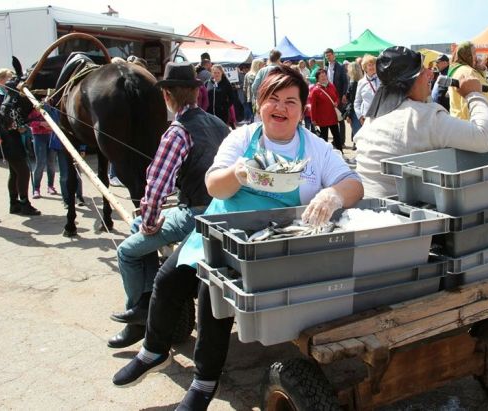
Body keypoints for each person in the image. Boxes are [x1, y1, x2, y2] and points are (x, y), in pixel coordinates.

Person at [111, 66, 364, 411]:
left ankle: (204, 382)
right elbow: (214, 184)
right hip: (220, 229)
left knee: (213, 293)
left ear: (302, 108)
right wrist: (238, 173)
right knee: (169, 279)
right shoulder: (242, 139)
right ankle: (153, 351)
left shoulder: (316, 149)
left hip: (269, 242)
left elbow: (354, 184)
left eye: (291, 101)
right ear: (259, 103)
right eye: (273, 98)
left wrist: (332, 195)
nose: (281, 107)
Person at [107, 62, 230, 349]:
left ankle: (141, 318)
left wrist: (150, 221)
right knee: (138, 226)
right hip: (222, 211)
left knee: (127, 251)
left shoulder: (177, 132)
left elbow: (157, 184)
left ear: (167, 97)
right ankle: (148, 297)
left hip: (196, 214)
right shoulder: (219, 124)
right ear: (196, 94)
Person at [353, 46, 488, 198]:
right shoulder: (423, 118)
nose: (430, 73)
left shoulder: (372, 119)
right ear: (408, 82)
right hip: (405, 214)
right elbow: (485, 137)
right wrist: (473, 94)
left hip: (367, 209)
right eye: (422, 70)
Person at [0, 68, 41, 216]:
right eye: (9, 78)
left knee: (14, 173)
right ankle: (24, 203)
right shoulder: (0, 97)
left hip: (12, 137)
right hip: (7, 139)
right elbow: (3, 120)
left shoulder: (8, 95)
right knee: (23, 171)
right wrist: (18, 127)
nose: (13, 81)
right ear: (1, 80)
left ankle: (14, 204)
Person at [448, 42, 488, 123]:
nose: (476, 57)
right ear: (467, 55)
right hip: (475, 125)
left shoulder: (462, 69)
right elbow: (467, 103)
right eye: (473, 53)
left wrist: (480, 70)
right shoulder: (467, 72)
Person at [308, 69, 343, 152]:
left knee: (337, 136)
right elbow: (313, 106)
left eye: (325, 75)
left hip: (333, 117)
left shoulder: (331, 86)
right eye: (321, 76)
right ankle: (325, 155)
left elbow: (337, 97)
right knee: (324, 139)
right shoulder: (315, 90)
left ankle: (341, 153)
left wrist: (336, 102)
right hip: (322, 119)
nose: (324, 77)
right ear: (317, 79)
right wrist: (313, 119)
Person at [27, 108, 58, 198]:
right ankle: (36, 188)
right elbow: (28, 122)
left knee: (51, 163)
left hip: (51, 136)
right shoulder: (32, 109)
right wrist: (41, 124)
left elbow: (56, 119)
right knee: (40, 163)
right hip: (38, 136)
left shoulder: (51, 108)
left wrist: (51, 125)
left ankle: (50, 186)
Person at [324, 48, 349, 143]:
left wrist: (344, 95)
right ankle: (336, 139)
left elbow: (345, 82)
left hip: (338, 96)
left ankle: (342, 140)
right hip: (329, 96)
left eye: (329, 55)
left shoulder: (340, 67)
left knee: (340, 118)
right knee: (332, 119)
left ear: (333, 55)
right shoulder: (326, 68)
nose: (328, 57)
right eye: (326, 56)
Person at [355, 54, 380, 125]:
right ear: (365, 68)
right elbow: (357, 102)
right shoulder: (361, 82)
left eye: (374, 64)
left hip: (382, 116)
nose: (372, 67)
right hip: (368, 118)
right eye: (370, 65)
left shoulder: (383, 79)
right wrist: (360, 117)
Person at [345, 60, 364, 139]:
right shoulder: (362, 81)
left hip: (355, 113)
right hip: (362, 111)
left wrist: (348, 115)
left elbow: (352, 101)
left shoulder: (353, 84)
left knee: (359, 137)